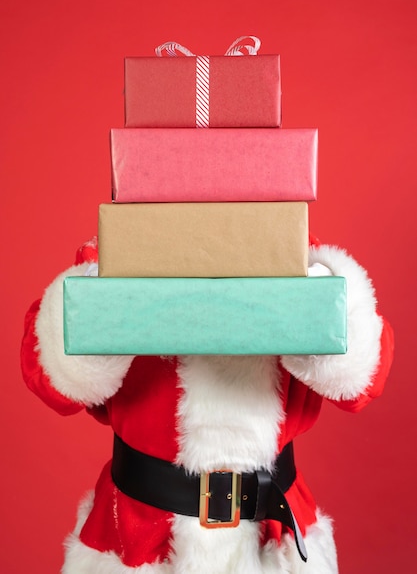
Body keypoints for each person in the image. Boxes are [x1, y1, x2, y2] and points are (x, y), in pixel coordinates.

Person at [21, 234, 393, 574]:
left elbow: (362, 381)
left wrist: (319, 302)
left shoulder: (293, 248)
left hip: (272, 537)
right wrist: (98, 303)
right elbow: (50, 379)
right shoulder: (117, 251)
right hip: (138, 541)